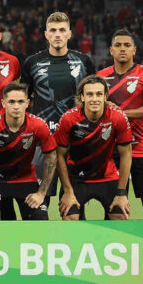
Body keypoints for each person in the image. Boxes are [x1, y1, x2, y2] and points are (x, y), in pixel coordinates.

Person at [21, 11, 95, 210]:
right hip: (42, 142)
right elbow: (23, 101)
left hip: (77, 140)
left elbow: (95, 97)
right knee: (37, 204)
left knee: (76, 207)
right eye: (53, 30)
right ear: (46, 34)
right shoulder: (31, 63)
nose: (57, 35)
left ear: (69, 34)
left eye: (62, 30)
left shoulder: (84, 61)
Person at [98, 29, 143, 219]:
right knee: (114, 208)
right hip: (112, 150)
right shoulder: (100, 77)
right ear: (111, 50)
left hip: (142, 148)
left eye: (127, 45)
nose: (122, 49)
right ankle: (115, 246)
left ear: (134, 50)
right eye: (118, 45)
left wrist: (117, 113)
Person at [0, 82, 57, 220]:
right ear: (3, 103)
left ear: (27, 103)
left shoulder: (38, 125)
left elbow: (52, 157)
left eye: (20, 102)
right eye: (11, 102)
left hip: (25, 179)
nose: (16, 106)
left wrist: (41, 193)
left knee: (40, 218)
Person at [55, 75, 132, 221]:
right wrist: (67, 191)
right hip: (76, 178)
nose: (94, 99)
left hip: (107, 176)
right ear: (82, 97)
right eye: (89, 94)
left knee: (120, 216)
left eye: (99, 94)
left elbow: (126, 154)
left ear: (105, 96)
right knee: (70, 218)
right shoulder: (68, 119)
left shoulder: (118, 117)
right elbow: (59, 156)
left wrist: (121, 194)